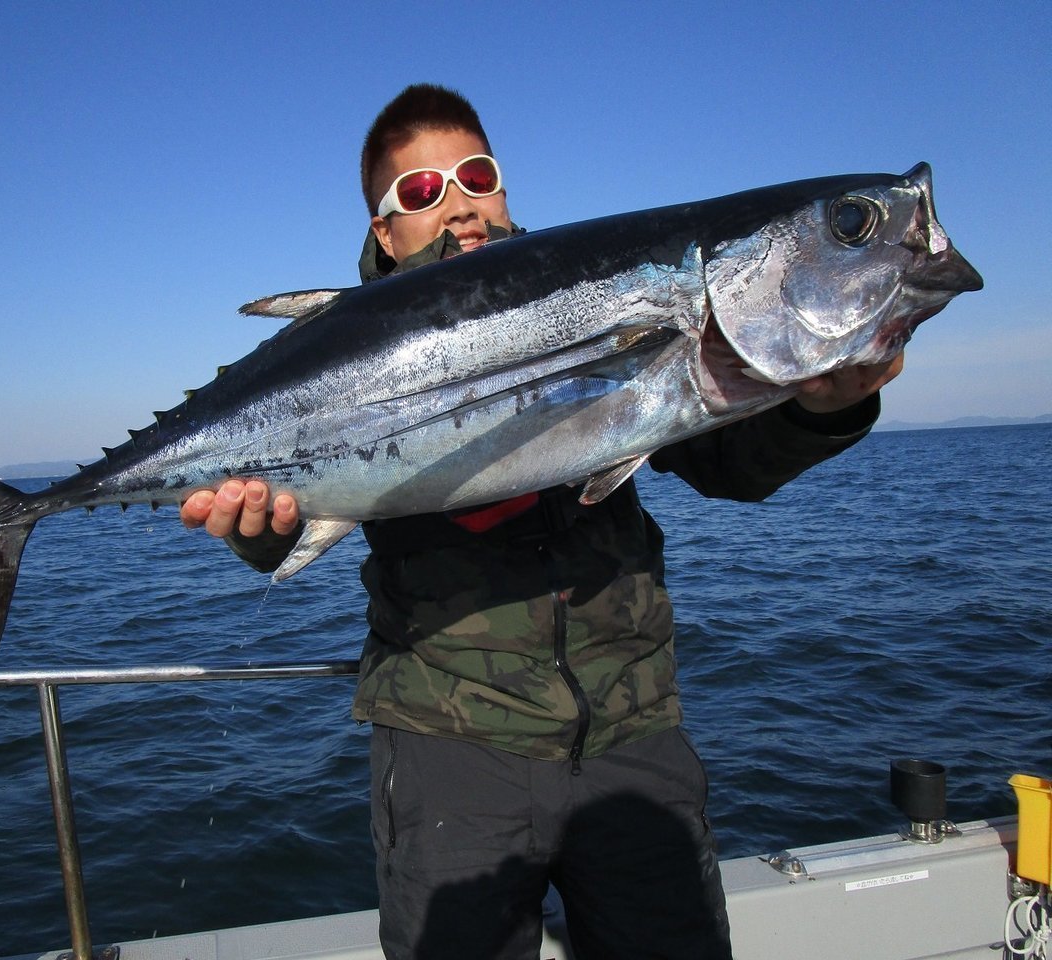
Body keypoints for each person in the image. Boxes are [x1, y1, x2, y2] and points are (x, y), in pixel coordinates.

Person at [181, 84, 901, 960]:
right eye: (420, 191)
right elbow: (291, 514)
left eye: (476, 174)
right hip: (451, 747)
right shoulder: (342, 344)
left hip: (633, 731)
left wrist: (821, 410)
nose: (458, 201)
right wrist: (260, 532)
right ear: (385, 231)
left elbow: (727, 466)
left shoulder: (606, 284)